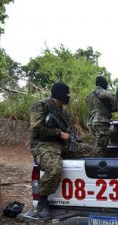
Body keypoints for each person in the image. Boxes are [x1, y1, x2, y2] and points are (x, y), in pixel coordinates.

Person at [30, 82, 99, 218]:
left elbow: (67, 130)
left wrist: (74, 139)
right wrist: (59, 134)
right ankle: (42, 202)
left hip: (63, 144)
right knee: (54, 169)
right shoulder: (42, 106)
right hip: (45, 144)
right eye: (67, 94)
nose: (69, 96)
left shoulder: (63, 111)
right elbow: (36, 129)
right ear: (60, 94)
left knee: (95, 152)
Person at [86, 76, 117, 154]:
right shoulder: (106, 93)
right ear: (104, 84)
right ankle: (96, 164)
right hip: (101, 122)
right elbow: (115, 106)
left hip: (90, 124)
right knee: (100, 149)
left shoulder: (88, 96)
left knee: (96, 145)